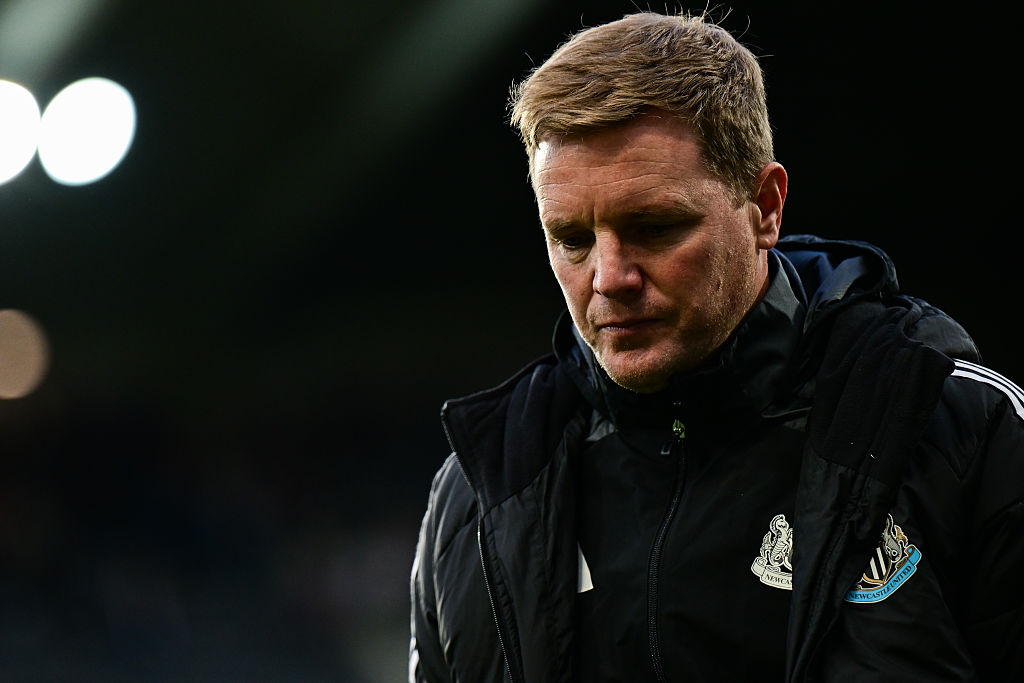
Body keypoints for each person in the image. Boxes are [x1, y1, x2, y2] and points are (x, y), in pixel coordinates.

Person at [409, 11, 1024, 682]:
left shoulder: (960, 433)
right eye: (572, 239)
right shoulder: (479, 494)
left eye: (654, 227)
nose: (609, 278)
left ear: (765, 206)